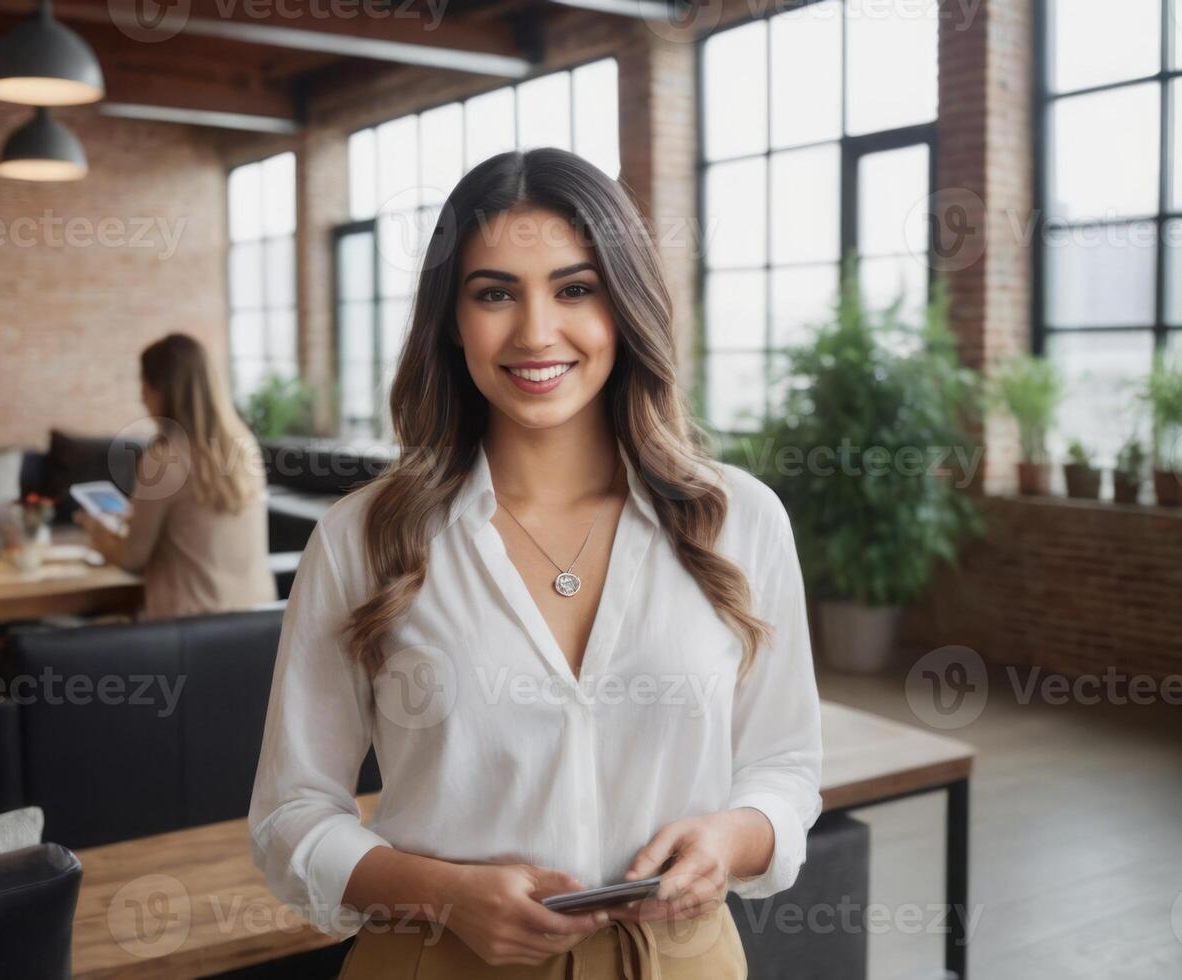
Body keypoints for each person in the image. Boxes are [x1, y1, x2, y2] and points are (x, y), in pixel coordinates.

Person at [248, 147, 823, 978]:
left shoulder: (737, 520)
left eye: (574, 288)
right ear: (452, 318)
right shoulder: (361, 538)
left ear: (624, 306)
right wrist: (440, 892)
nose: (534, 332)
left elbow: (785, 766)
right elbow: (290, 814)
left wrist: (733, 837)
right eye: (494, 294)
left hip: (677, 961)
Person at [76, 333, 278, 620]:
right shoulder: (245, 446)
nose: (140, 395)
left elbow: (133, 558)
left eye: (143, 384)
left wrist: (97, 532)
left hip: (187, 631)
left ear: (160, 389)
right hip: (257, 624)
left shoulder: (163, 459)